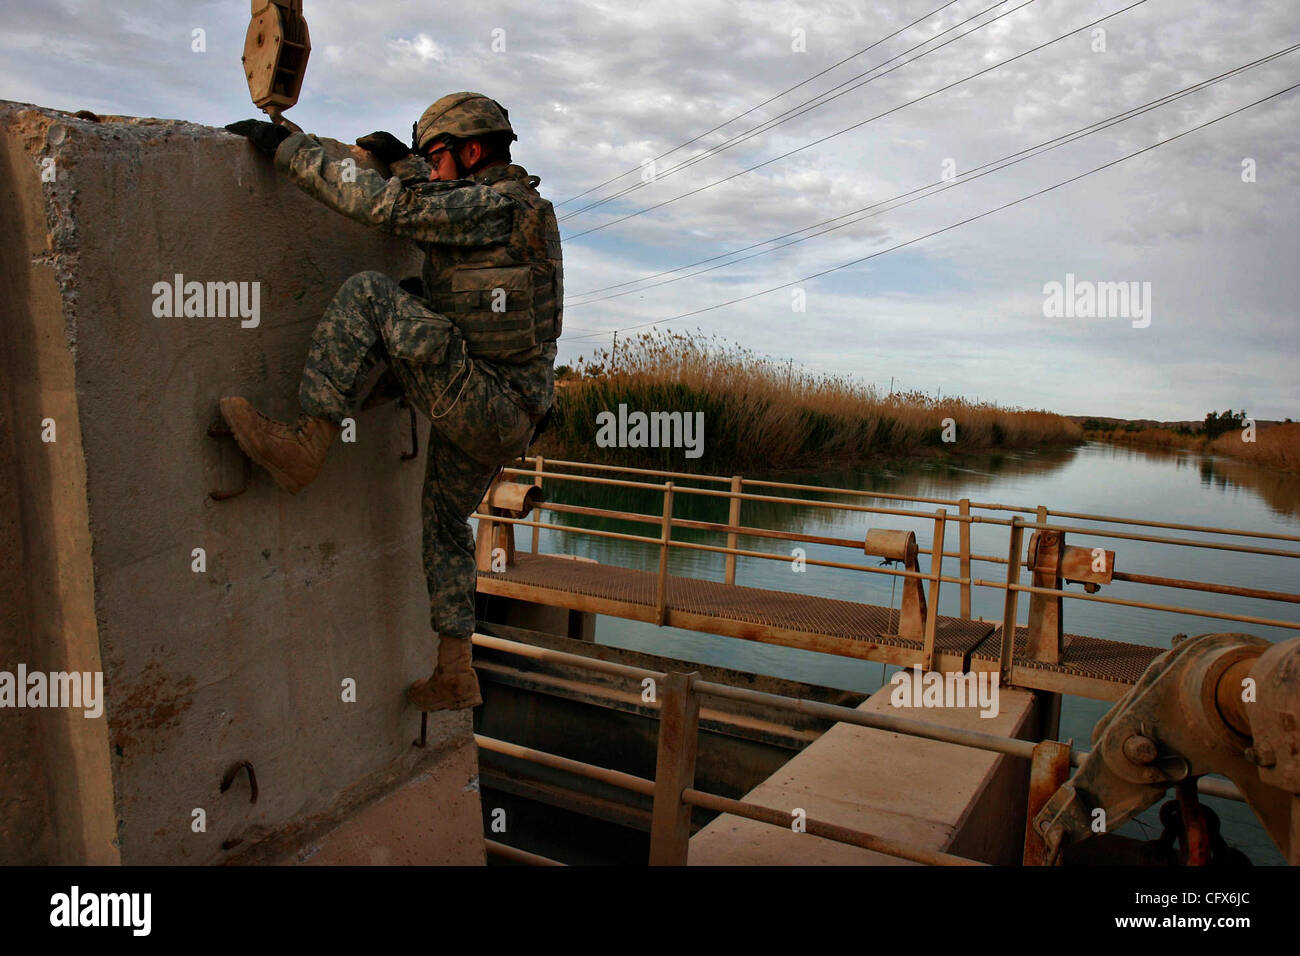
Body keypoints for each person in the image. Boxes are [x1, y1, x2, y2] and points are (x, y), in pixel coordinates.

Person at [222, 92, 562, 712]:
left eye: (439, 157)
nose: (432, 170)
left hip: (479, 399)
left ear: (473, 151)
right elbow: (436, 201)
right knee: (443, 527)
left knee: (374, 296)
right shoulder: (520, 208)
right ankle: (456, 672)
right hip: (510, 414)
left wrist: (289, 150)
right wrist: (406, 159)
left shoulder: (491, 206)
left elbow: (394, 210)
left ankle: (307, 446)